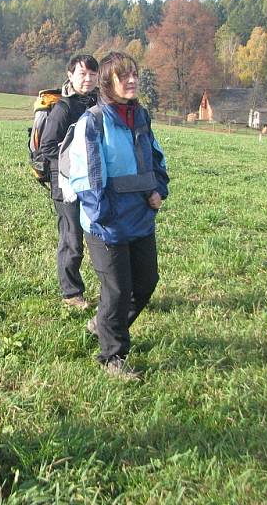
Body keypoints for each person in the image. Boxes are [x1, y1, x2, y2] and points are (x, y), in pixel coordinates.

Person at [67, 52, 169, 379]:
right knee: (117, 290)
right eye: (124, 76)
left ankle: (104, 324)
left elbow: (155, 158)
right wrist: (103, 217)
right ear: (109, 82)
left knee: (146, 283)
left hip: (140, 218)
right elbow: (88, 178)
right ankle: (113, 356)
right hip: (107, 225)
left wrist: (158, 189)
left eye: (135, 74)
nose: (132, 80)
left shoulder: (141, 117)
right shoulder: (93, 121)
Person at [39, 55, 99, 309]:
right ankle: (71, 294)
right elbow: (47, 147)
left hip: (93, 180)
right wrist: (75, 164)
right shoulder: (64, 108)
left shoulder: (99, 102)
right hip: (65, 184)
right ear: (70, 75)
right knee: (72, 238)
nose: (87, 79)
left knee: (98, 235)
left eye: (92, 75)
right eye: (82, 74)